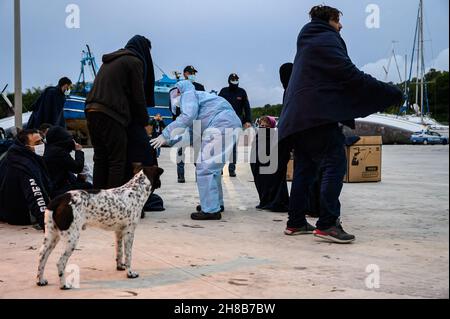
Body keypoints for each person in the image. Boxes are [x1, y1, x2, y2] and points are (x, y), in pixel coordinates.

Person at [277, 5, 404, 243]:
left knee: (304, 170)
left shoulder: (307, 42)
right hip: (318, 116)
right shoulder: (325, 39)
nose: (341, 26)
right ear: (329, 20)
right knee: (335, 164)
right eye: (338, 21)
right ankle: (327, 223)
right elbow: (349, 74)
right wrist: (388, 93)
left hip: (296, 121)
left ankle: (295, 222)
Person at [151, 81, 242, 221]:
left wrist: (166, 134)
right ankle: (215, 204)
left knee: (205, 167)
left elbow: (187, 117)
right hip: (228, 124)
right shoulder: (203, 103)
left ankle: (211, 210)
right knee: (213, 169)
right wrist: (167, 140)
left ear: (178, 91)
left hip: (221, 125)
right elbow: (189, 133)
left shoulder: (188, 94)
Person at [85, 35, 154, 189]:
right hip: (110, 113)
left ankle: (98, 200)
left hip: (91, 110)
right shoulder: (134, 61)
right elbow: (138, 97)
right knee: (117, 160)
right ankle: (113, 205)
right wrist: (144, 121)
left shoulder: (110, 61)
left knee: (100, 158)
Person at [0, 129, 52, 230]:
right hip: (20, 215)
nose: (42, 144)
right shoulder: (25, 166)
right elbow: (35, 195)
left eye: (42, 140)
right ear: (27, 147)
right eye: (37, 143)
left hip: (5, 210)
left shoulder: (11, 155)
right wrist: (46, 222)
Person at [173, 66, 206, 183]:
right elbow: (173, 105)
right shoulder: (178, 86)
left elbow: (203, 104)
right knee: (181, 149)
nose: (193, 75)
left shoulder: (200, 87)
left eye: (194, 73)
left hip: (196, 122)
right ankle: (180, 175)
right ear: (185, 74)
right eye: (190, 73)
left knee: (198, 150)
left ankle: (199, 174)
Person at [250, 116, 289, 212]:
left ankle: (274, 201)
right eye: (261, 126)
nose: (263, 128)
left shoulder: (276, 136)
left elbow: (283, 152)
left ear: (271, 126)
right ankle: (265, 201)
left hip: (273, 167)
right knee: (262, 183)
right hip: (260, 168)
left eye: (266, 126)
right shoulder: (258, 137)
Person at [43, 126, 92, 197]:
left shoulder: (49, 149)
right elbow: (78, 168)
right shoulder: (59, 152)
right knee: (89, 186)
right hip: (58, 189)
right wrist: (79, 151)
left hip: (54, 187)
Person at [219, 73, 252, 177]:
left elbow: (247, 107)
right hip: (223, 122)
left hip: (236, 123)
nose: (235, 81)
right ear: (229, 80)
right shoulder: (223, 91)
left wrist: (248, 121)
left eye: (236, 79)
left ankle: (232, 169)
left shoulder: (242, 92)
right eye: (233, 79)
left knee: (233, 147)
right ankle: (219, 168)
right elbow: (217, 105)